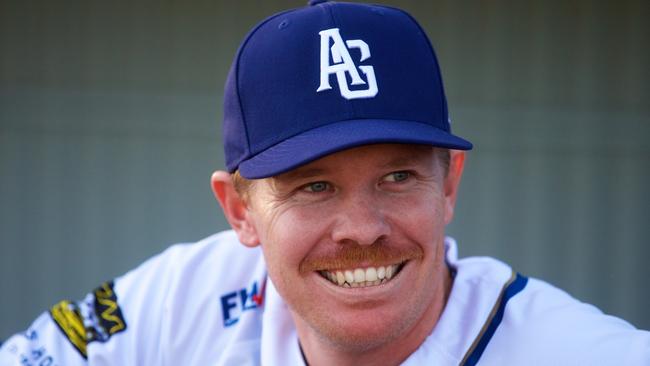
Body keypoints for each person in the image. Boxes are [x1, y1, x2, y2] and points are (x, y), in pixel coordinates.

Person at [1, 1, 648, 365]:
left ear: (449, 184)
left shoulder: (579, 353)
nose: (363, 228)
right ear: (240, 210)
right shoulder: (182, 301)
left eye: (397, 176)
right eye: (313, 186)